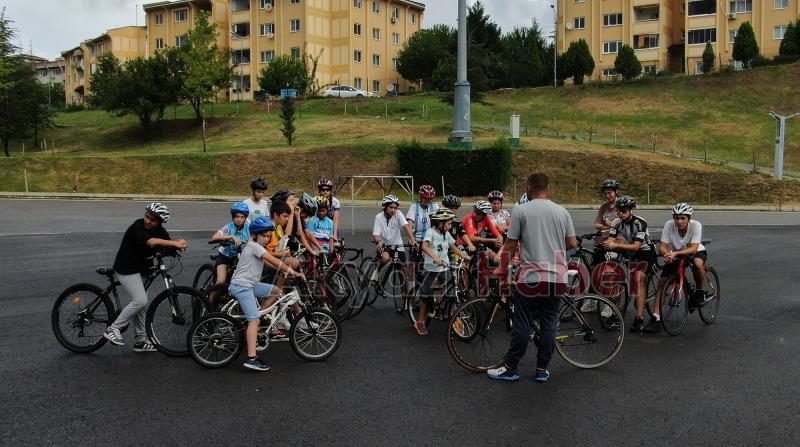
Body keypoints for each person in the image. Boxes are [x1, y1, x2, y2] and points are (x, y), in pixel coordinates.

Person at [488, 173, 577, 383]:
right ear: (548, 187)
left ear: (529, 187)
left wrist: (501, 268)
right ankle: (542, 370)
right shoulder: (561, 211)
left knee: (523, 322)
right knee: (549, 322)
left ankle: (511, 367)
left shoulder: (521, 210)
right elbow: (572, 243)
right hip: (556, 277)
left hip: (530, 276)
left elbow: (510, 245)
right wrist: (554, 246)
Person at [103, 203, 188, 351]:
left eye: (153, 220)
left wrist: (178, 246)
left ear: (160, 222)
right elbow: (152, 242)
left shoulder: (160, 231)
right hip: (127, 268)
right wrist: (173, 243)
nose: (148, 221)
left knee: (142, 304)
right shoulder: (138, 226)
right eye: (147, 217)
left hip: (142, 269)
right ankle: (113, 328)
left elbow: (166, 244)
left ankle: (141, 341)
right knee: (140, 300)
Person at [228, 216, 304, 371]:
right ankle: (252, 358)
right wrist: (291, 271)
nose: (266, 239)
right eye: (263, 236)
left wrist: (283, 270)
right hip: (242, 286)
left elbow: (269, 263)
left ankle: (256, 318)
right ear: (255, 235)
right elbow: (274, 261)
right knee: (254, 320)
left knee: (276, 291)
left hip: (251, 285)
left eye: (269, 236)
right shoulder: (255, 246)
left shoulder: (256, 247)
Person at [648, 202, 709, 333]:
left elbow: (693, 248)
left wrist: (675, 253)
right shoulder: (669, 225)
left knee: (698, 264)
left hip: (695, 251)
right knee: (662, 283)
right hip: (676, 253)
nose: (679, 221)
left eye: (683, 218)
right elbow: (663, 247)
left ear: (689, 218)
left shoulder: (696, 225)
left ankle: (699, 291)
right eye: (677, 218)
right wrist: (667, 254)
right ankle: (656, 318)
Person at [600, 196, 656, 333]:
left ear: (631, 210)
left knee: (637, 280)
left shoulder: (640, 222)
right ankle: (615, 312)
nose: (620, 213)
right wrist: (608, 244)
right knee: (613, 276)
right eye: (618, 210)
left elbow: (637, 247)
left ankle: (639, 318)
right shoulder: (616, 222)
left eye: (623, 211)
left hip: (645, 252)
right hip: (627, 249)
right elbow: (611, 241)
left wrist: (614, 244)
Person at [415, 209, 470, 336]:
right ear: (440, 224)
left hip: (444, 267)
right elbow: (424, 246)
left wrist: (463, 255)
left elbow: (452, 246)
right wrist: (434, 257)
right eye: (449, 224)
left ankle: (452, 317)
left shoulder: (446, 233)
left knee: (451, 292)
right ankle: (421, 322)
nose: (451, 226)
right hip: (431, 268)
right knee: (426, 294)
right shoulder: (431, 232)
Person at [208, 202, 251, 306]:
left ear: (245, 218)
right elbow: (215, 237)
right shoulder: (228, 227)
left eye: (242, 217)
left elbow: (253, 239)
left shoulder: (248, 228)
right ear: (233, 217)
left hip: (240, 257)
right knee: (221, 282)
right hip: (225, 257)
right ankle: (208, 304)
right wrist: (230, 237)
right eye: (236, 216)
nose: (239, 219)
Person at [317, 179, 341, 243]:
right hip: (317, 225)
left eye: (327, 190)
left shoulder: (335, 202)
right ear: (319, 190)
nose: (325, 191)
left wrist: (335, 234)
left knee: (335, 246)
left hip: (330, 226)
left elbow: (336, 219)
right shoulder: (314, 200)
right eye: (322, 190)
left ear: (330, 191)